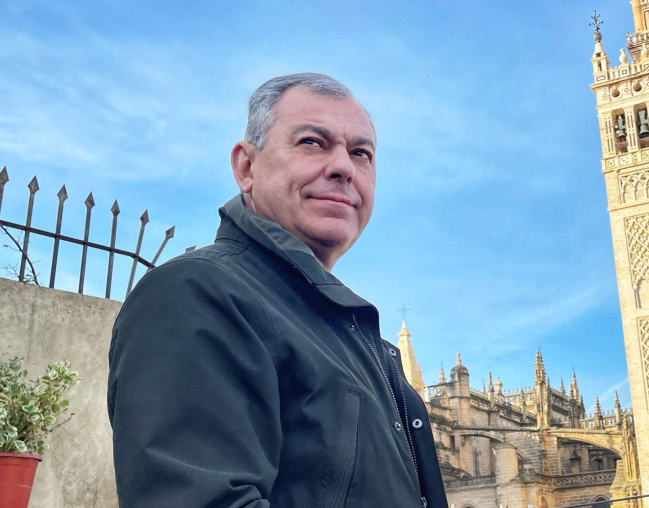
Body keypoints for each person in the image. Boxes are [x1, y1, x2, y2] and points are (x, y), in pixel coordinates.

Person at [108, 73, 448, 507]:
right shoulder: (198, 293)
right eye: (312, 142)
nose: (344, 167)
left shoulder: (354, 338)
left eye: (361, 153)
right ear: (246, 167)